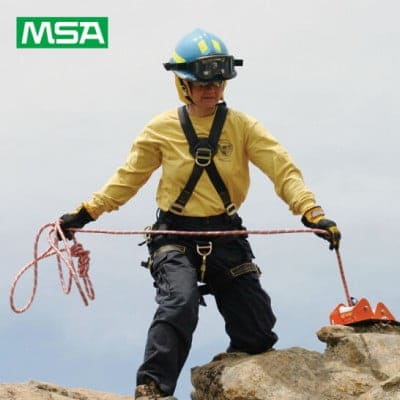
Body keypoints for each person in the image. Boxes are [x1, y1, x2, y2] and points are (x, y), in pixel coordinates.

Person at [59, 28, 341, 400]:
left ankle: (224, 375)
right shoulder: (161, 129)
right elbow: (127, 179)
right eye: (203, 84)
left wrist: (311, 212)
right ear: (183, 85)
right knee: (180, 302)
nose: (212, 90)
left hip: (226, 237)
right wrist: (84, 214)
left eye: (219, 83)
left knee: (258, 332)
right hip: (174, 236)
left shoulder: (243, 127)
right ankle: (152, 387)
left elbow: (282, 170)